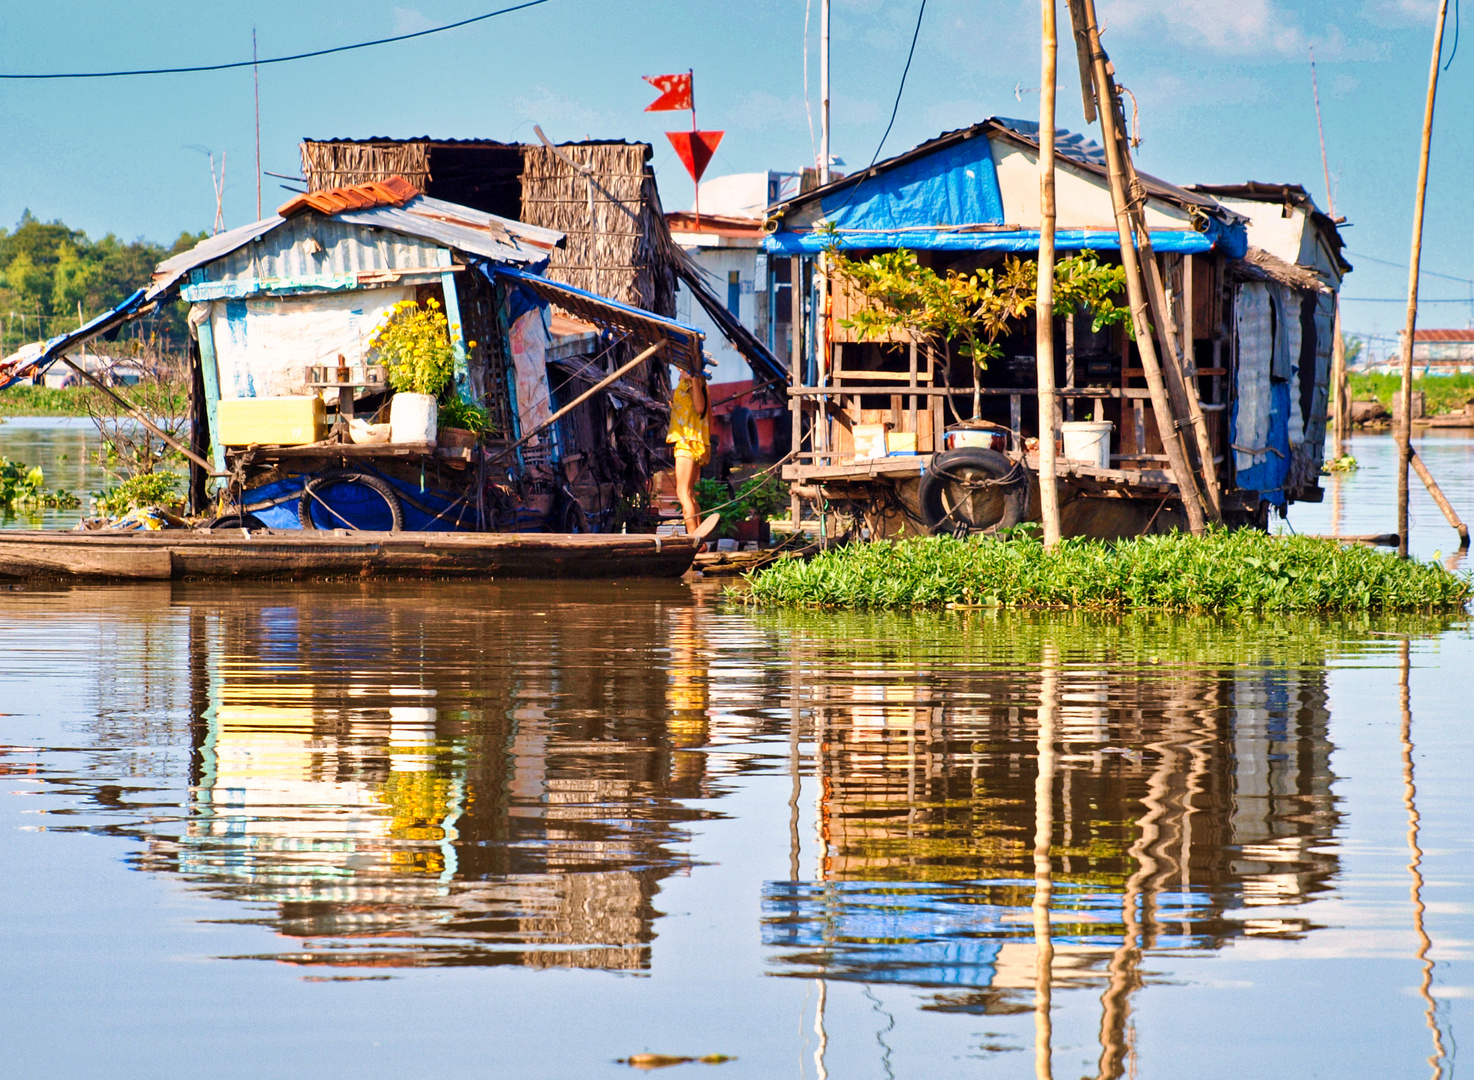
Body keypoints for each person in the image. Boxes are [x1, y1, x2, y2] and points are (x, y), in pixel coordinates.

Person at [666, 363, 711, 543]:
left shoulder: (694, 379)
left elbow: (700, 408)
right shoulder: (688, 379)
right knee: (690, 494)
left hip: (688, 441)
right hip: (689, 439)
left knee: (682, 493)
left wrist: (691, 377)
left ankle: (693, 540)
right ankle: (698, 539)